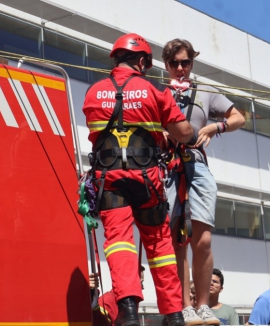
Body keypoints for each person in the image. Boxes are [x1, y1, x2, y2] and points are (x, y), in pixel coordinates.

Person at [83, 33, 194, 326]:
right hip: (147, 179)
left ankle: (129, 311)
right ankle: (173, 314)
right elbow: (184, 133)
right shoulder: (155, 89)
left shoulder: (93, 92)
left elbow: (97, 133)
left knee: (119, 242)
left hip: (109, 179)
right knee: (158, 244)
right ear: (143, 61)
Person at [161, 38, 246, 326]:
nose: (181, 68)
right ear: (166, 65)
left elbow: (238, 118)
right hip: (169, 166)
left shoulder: (205, 92)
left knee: (204, 240)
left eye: (186, 62)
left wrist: (214, 126)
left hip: (196, 164)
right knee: (176, 239)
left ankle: (203, 306)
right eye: (175, 63)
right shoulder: (159, 93)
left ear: (192, 63)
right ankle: (184, 305)